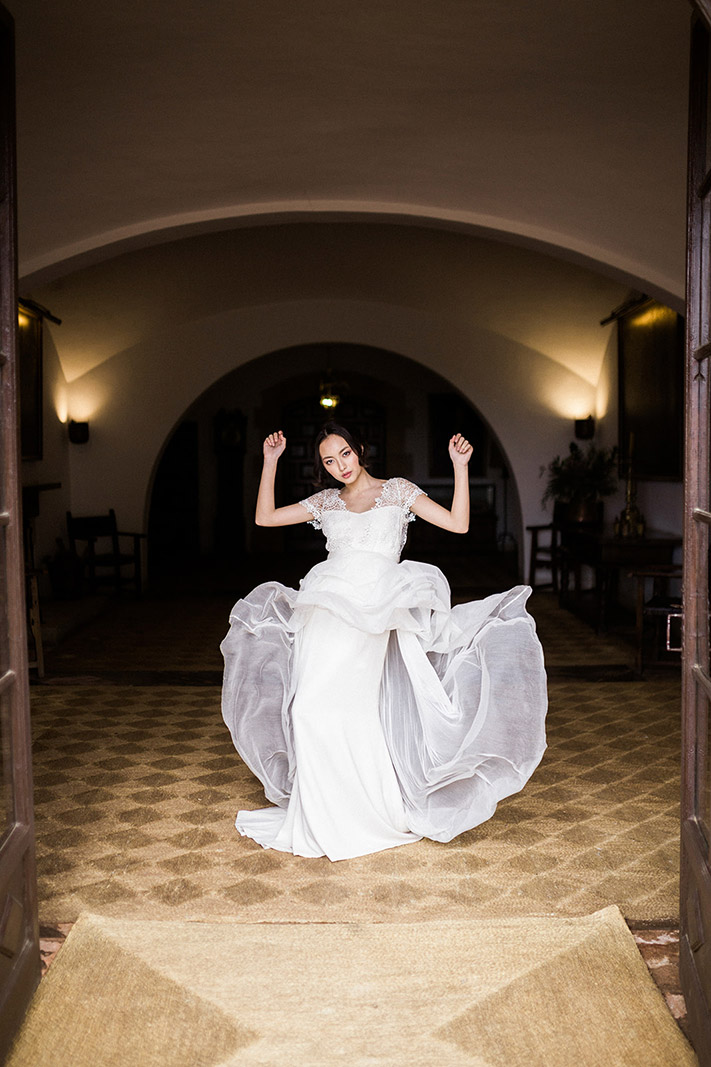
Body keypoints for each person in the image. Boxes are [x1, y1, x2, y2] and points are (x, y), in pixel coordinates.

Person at [220, 421, 547, 861]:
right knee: (308, 708)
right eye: (329, 461)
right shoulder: (326, 502)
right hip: (326, 611)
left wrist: (460, 467)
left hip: (373, 612)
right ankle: (321, 813)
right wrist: (270, 462)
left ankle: (365, 812)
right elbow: (264, 518)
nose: (340, 467)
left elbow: (458, 523)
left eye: (345, 455)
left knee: (353, 710)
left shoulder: (396, 491)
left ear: (361, 448)